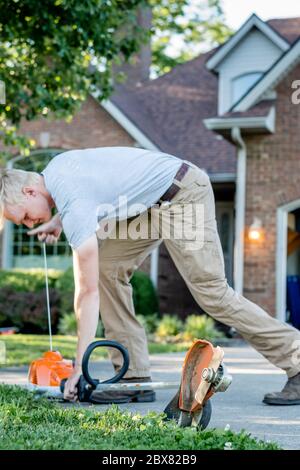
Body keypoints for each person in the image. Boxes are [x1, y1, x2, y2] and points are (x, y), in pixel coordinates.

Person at [1, 146, 300, 406]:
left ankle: (296, 359)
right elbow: (87, 190)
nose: (29, 224)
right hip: (148, 206)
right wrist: (55, 219)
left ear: (29, 191)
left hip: (184, 194)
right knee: (107, 269)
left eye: (26, 216)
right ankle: (133, 376)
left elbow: (86, 294)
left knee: (213, 293)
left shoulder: (73, 205)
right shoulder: (53, 171)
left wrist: (79, 367)